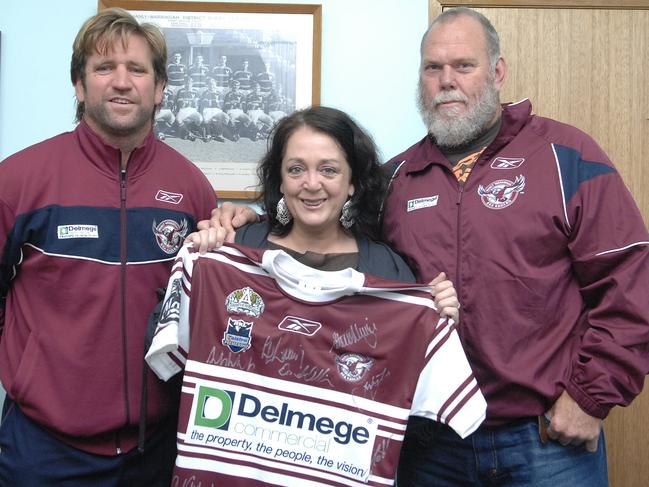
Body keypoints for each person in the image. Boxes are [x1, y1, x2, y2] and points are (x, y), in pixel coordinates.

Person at [194, 7, 649, 486]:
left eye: (463, 66)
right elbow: (326, 237)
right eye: (433, 68)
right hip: (430, 447)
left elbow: (631, 284)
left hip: (543, 441)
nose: (446, 81)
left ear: (497, 72)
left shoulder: (566, 157)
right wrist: (245, 223)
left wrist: (590, 397)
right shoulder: (394, 180)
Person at [153, 106, 478, 486]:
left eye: (329, 169)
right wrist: (199, 262)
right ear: (280, 179)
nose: (311, 183)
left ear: (353, 181)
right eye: (296, 169)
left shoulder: (388, 274)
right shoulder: (232, 248)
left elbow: (414, 414)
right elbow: (165, 352)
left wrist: (430, 324)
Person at [0, 8, 217, 485]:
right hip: (44, 451)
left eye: (137, 70)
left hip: (156, 449)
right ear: (79, 86)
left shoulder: (191, 187)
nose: (122, 82)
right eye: (104, 68)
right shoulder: (18, 181)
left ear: (159, 89)